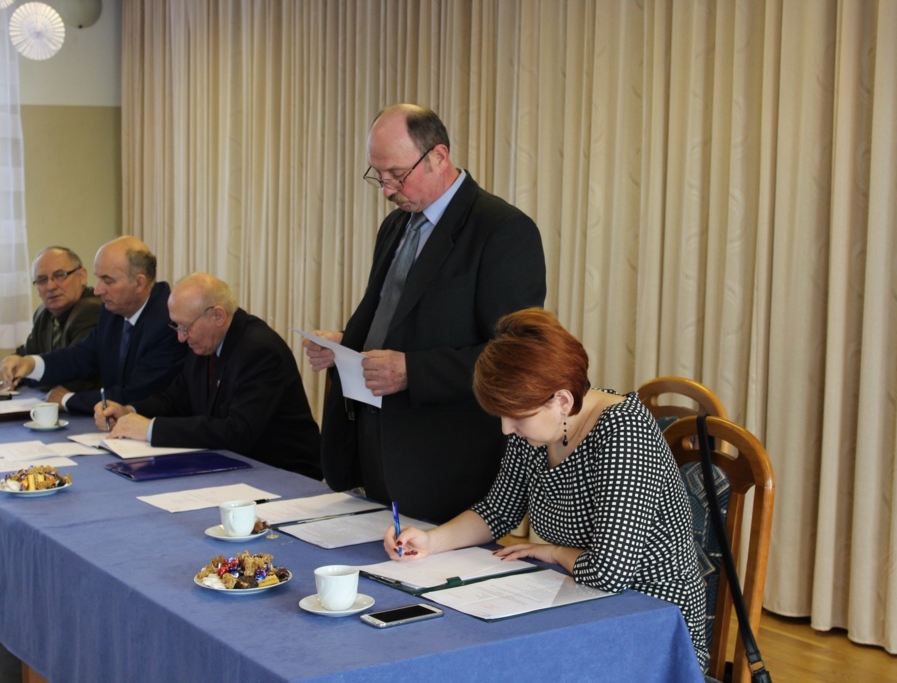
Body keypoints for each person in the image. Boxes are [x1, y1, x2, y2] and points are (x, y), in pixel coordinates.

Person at [383, 308, 708, 672]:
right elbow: (498, 510)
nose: (506, 429)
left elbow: (610, 572)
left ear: (563, 401)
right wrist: (431, 541)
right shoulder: (538, 429)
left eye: (516, 417)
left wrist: (553, 552)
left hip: (651, 621)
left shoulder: (624, 433)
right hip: (580, 597)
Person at [303, 103, 546, 523]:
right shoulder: (396, 225)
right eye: (379, 176)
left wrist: (412, 372)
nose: (387, 190)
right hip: (377, 445)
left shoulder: (501, 229)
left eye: (397, 175)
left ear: (438, 157)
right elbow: (396, 318)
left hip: (445, 457)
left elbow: (516, 355)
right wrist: (347, 344)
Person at [95, 273, 322, 479]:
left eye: (185, 327)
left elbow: (238, 432)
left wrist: (150, 429)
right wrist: (130, 411)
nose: (181, 338)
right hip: (232, 466)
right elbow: (175, 399)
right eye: (177, 327)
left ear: (218, 316)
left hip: (283, 473)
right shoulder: (205, 343)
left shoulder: (259, 350)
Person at [0, 236, 187, 414]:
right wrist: (30, 364)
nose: (98, 290)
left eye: (107, 280)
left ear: (139, 283)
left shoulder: (168, 322)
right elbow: (81, 355)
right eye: (98, 278)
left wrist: (67, 400)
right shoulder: (113, 311)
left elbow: (137, 394)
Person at [11, 246, 102, 392]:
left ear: (82, 276)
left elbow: (75, 372)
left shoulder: (91, 310)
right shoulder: (44, 313)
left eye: (60, 275)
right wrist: (12, 364)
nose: (51, 286)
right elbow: (29, 352)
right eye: (42, 280)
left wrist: (25, 372)